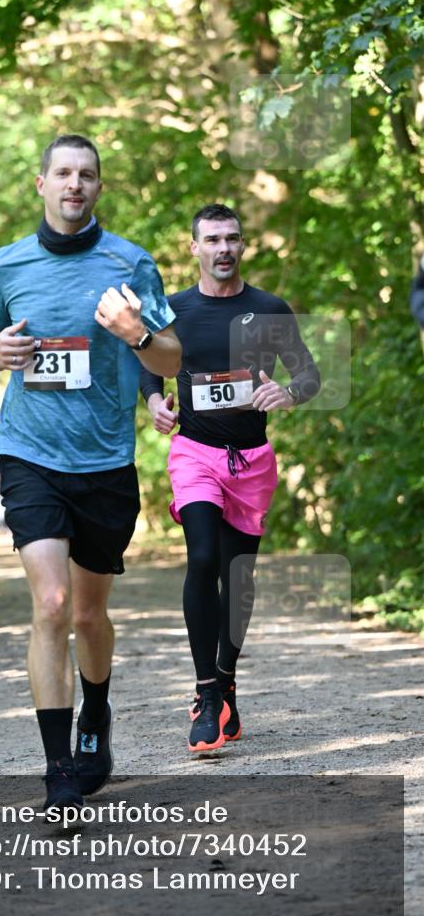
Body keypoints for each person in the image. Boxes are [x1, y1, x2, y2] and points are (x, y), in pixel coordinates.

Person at [0, 134, 180, 813]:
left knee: (90, 616)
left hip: (104, 462)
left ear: (98, 187)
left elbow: (171, 360)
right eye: (62, 173)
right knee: (52, 606)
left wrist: (134, 333)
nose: (73, 184)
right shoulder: (7, 265)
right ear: (40, 184)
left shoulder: (130, 262)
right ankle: (58, 767)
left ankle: (96, 709)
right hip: (29, 452)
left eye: (86, 175)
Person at [141, 203, 320, 755]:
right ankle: (205, 695)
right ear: (193, 247)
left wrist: (286, 393)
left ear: (243, 246)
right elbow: (148, 368)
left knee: (238, 577)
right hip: (194, 452)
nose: (223, 248)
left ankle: (226, 680)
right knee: (201, 558)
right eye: (212, 239)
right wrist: (154, 403)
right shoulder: (172, 311)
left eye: (232, 239)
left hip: (252, 460)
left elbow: (309, 374)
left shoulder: (269, 309)